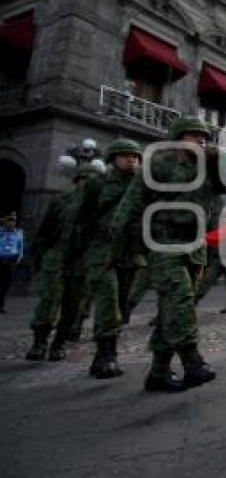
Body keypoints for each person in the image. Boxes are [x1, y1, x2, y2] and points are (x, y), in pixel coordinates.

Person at [111, 117, 226, 392]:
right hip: (164, 241)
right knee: (180, 299)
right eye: (193, 135)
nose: (200, 139)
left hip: (194, 246)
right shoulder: (158, 164)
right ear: (177, 138)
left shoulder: (209, 168)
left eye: (203, 136)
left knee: (170, 311)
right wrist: (122, 250)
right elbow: (129, 206)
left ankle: (158, 373)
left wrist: (215, 158)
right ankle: (192, 361)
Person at [64, 139, 144, 378]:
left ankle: (103, 354)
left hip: (129, 254)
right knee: (108, 304)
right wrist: (74, 254)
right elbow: (79, 220)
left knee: (120, 305)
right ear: (113, 159)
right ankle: (108, 356)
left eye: (136, 156)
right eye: (125, 155)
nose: (132, 159)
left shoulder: (143, 185)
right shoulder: (97, 185)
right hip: (103, 251)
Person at [25, 164, 102, 360]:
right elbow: (45, 230)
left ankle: (59, 343)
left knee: (73, 305)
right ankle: (39, 342)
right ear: (77, 180)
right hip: (56, 256)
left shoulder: (100, 206)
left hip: (82, 262)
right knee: (49, 300)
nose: (88, 185)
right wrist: (39, 255)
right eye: (85, 179)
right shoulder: (60, 201)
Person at [0, 211, 25, 313]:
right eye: (10, 220)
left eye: (14, 220)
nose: (12, 222)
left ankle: (0, 305)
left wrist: (20, 257)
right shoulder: (1, 231)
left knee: (5, 284)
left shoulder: (19, 232)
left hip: (11, 261)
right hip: (0, 259)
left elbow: (21, 246)